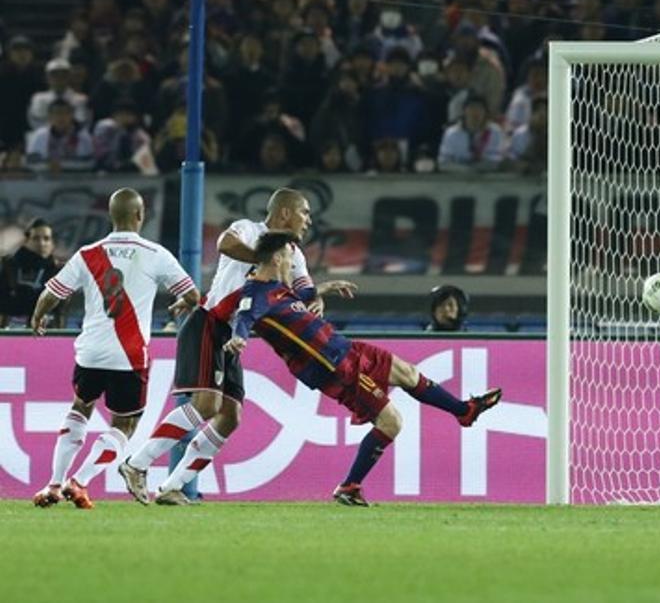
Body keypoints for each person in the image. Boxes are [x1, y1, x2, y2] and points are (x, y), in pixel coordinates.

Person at [222, 231, 502, 506]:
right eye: (287, 257)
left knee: (407, 373)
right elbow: (246, 315)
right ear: (276, 258)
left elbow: (301, 296)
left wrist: (324, 288)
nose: (290, 264)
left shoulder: (279, 289)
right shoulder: (256, 291)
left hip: (344, 347)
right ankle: (349, 486)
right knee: (391, 422)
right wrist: (238, 338)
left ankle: (464, 411)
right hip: (332, 366)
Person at [118, 188, 328, 505]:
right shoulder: (250, 229)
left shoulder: (294, 254)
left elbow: (305, 291)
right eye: (305, 213)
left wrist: (320, 297)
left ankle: (172, 486)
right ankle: (136, 464)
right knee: (206, 406)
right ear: (285, 213)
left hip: (232, 336)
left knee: (230, 416)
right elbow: (224, 243)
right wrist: (265, 258)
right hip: (208, 324)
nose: (309, 221)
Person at [30, 188, 199, 509]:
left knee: (80, 407)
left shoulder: (87, 253)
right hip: (130, 356)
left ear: (111, 216)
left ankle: (53, 485)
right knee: (124, 425)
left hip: (91, 351)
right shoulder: (155, 253)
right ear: (140, 215)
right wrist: (181, 302)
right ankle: (79, 482)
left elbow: (52, 293)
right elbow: (193, 295)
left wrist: (38, 317)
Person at [0, 218, 61, 328]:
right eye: (36, 238)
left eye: (46, 239)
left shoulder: (57, 270)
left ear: (52, 243)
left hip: (43, 332)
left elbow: (60, 314)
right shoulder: (10, 265)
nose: (41, 244)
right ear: (26, 241)